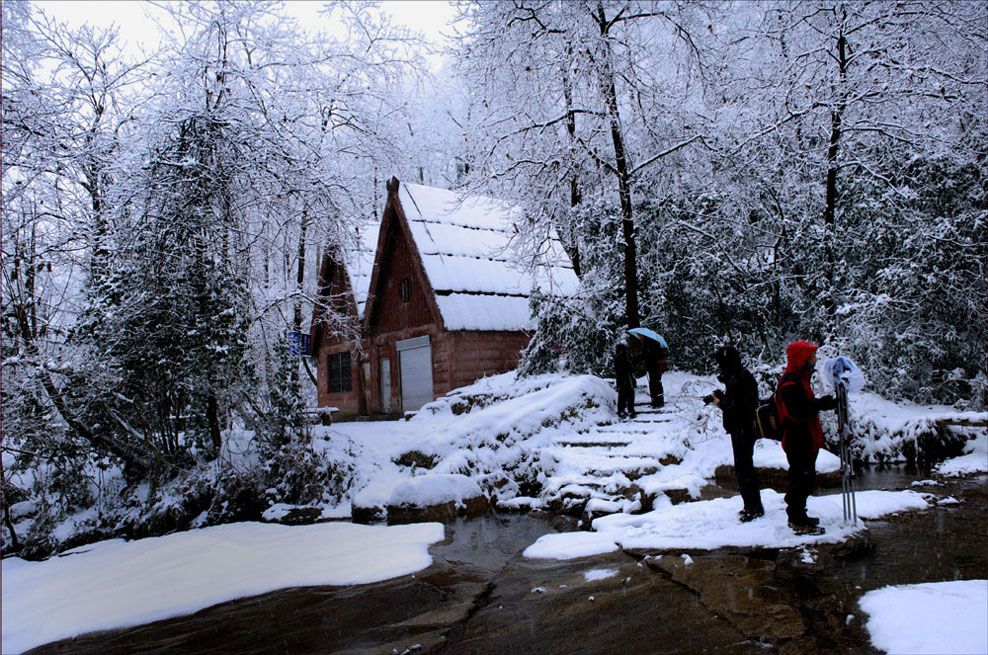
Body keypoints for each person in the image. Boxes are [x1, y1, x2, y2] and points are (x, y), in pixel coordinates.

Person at [776, 341, 837, 534]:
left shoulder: (799, 378)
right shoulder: (790, 382)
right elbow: (798, 410)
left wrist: (819, 404)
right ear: (802, 359)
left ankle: (799, 515)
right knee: (800, 477)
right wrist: (820, 405)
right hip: (797, 438)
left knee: (805, 476)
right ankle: (797, 519)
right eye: (811, 356)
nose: (815, 359)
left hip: (804, 436)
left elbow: (804, 406)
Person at [705, 345, 764, 522]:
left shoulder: (739, 379)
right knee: (744, 468)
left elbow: (736, 407)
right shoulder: (739, 375)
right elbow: (737, 401)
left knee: (744, 468)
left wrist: (719, 402)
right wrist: (721, 397)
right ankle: (751, 506)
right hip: (742, 428)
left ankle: (753, 508)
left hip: (743, 428)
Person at [642, 338, 667, 408]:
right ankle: (659, 401)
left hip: (653, 368)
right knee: (657, 384)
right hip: (657, 368)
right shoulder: (656, 346)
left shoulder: (650, 347)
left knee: (654, 384)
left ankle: (656, 401)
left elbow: (647, 356)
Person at [614, 342, 636, 419]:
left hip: (620, 380)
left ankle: (621, 410)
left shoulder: (617, 358)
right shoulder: (624, 358)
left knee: (622, 395)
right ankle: (630, 410)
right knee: (630, 394)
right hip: (627, 379)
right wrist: (631, 365)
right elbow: (629, 369)